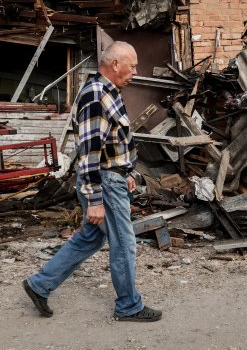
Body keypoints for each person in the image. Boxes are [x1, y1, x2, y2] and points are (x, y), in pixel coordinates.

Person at [23, 41, 162, 322]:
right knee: (124, 244)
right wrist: (96, 199)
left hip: (112, 179)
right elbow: (89, 153)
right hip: (104, 185)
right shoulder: (96, 95)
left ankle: (40, 284)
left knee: (89, 238)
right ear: (115, 65)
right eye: (132, 66)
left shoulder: (109, 93)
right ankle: (129, 306)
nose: (135, 71)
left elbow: (114, 144)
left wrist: (128, 174)